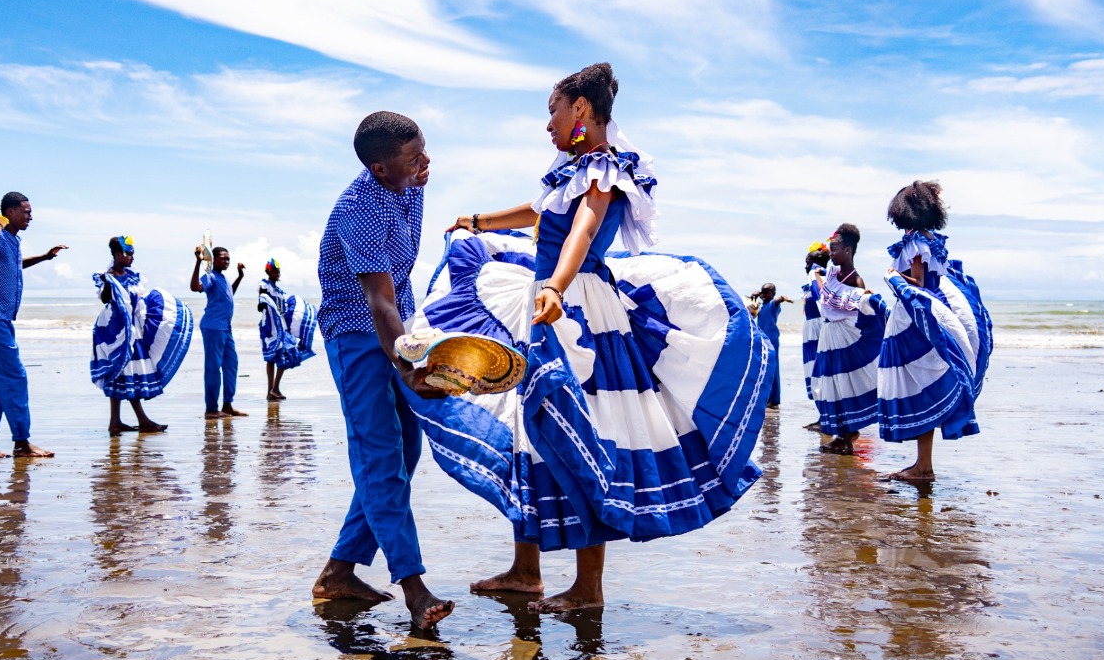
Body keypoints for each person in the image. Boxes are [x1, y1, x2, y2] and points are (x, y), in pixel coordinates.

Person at [414, 63, 773, 612]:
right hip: (549, 297)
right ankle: (526, 569)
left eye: (553, 112)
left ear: (581, 108)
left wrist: (555, 287)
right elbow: (538, 214)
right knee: (530, 427)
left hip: (577, 304)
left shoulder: (602, 169)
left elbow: (584, 227)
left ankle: (587, 588)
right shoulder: (572, 167)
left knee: (584, 428)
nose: (549, 125)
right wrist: (478, 221)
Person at [309, 110, 455, 629]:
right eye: (414, 157)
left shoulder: (409, 182)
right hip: (356, 334)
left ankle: (338, 572)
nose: (426, 163)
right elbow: (379, 302)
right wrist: (409, 366)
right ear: (378, 168)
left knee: (406, 450)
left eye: (424, 151)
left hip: (399, 327)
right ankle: (414, 588)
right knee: (379, 455)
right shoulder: (358, 209)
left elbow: (402, 288)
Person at [876, 181, 993, 483]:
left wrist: (892, 276)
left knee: (917, 385)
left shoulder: (915, 242)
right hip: (931, 313)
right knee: (925, 384)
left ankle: (923, 466)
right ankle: (922, 464)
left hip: (914, 318)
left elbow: (917, 281)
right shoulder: (933, 240)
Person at [0, 191, 67, 462]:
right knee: (15, 377)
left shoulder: (12, 240)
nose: (30, 216)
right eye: (26, 211)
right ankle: (22, 443)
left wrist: (45, 258)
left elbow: (15, 266)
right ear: (9, 212)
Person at [91, 236, 194, 435]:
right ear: (117, 254)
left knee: (126, 373)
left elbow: (137, 301)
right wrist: (106, 283)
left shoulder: (131, 275)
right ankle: (137, 420)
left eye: (132, 254)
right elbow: (105, 299)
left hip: (132, 328)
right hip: (116, 329)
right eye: (128, 253)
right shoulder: (108, 276)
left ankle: (117, 422)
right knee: (124, 372)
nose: (131, 257)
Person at [809, 224, 887, 454]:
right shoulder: (833, 273)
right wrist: (817, 277)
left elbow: (860, 309)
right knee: (828, 384)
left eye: (834, 249)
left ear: (848, 250)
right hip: (830, 335)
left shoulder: (856, 281)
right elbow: (825, 297)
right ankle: (843, 434)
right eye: (831, 249)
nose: (831, 254)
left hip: (845, 338)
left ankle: (847, 436)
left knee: (844, 384)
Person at [191, 245, 246, 419]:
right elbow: (195, 287)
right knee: (213, 368)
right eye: (223, 258)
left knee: (231, 365)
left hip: (226, 328)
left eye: (228, 258)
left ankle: (227, 405)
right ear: (213, 260)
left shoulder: (223, 279)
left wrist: (240, 276)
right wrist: (197, 261)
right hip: (213, 327)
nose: (227, 261)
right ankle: (211, 409)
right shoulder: (210, 277)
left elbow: (230, 294)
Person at [257, 258, 317, 401]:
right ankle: (270, 390)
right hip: (270, 326)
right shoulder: (264, 285)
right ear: (269, 272)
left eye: (278, 272)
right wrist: (262, 303)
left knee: (285, 354)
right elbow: (262, 299)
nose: (277, 274)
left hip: (282, 327)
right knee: (271, 358)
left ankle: (275, 388)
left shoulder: (281, 292)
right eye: (275, 272)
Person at [801, 241, 832, 431]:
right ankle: (823, 417)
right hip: (811, 329)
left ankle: (827, 418)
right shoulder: (817, 276)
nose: (806, 266)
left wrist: (814, 273)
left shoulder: (819, 275)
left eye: (808, 262)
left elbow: (822, 300)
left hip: (818, 329)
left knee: (818, 372)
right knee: (813, 372)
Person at [749, 283, 792, 407]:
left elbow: (778, 300)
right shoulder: (761, 306)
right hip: (762, 339)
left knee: (773, 368)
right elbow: (750, 310)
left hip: (772, 339)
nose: (764, 294)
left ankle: (774, 399)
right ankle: (767, 398)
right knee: (764, 368)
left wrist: (783, 298)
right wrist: (754, 297)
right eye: (762, 291)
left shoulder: (772, 305)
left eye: (766, 292)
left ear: (773, 294)